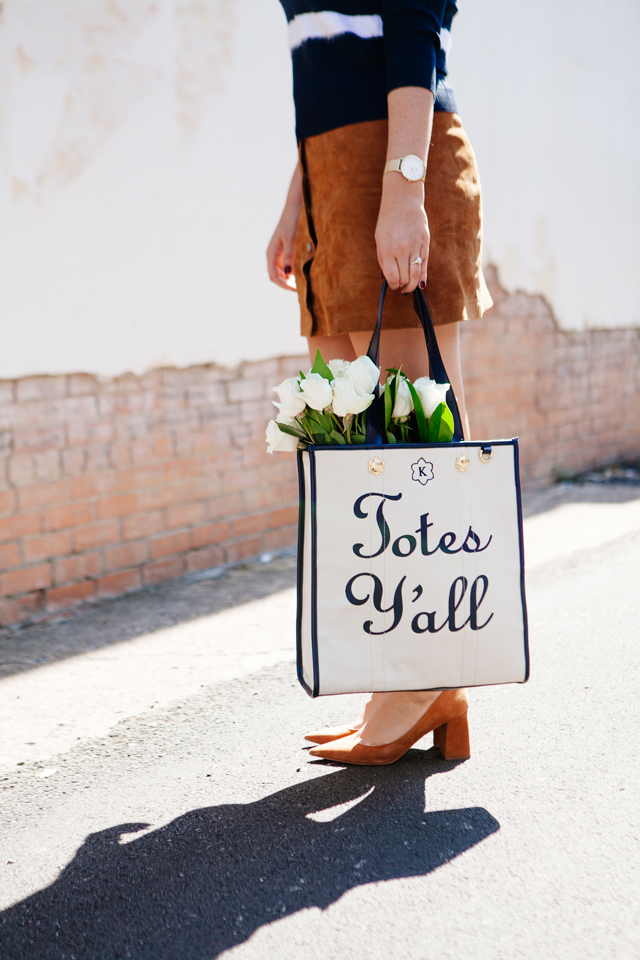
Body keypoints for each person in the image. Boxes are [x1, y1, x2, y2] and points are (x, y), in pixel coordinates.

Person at [266, 0, 492, 765]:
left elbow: (414, 19)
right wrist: (299, 197)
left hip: (393, 156)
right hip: (331, 171)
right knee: (353, 448)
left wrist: (403, 188)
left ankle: (426, 677)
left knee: (410, 442)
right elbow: (322, 56)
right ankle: (411, 678)